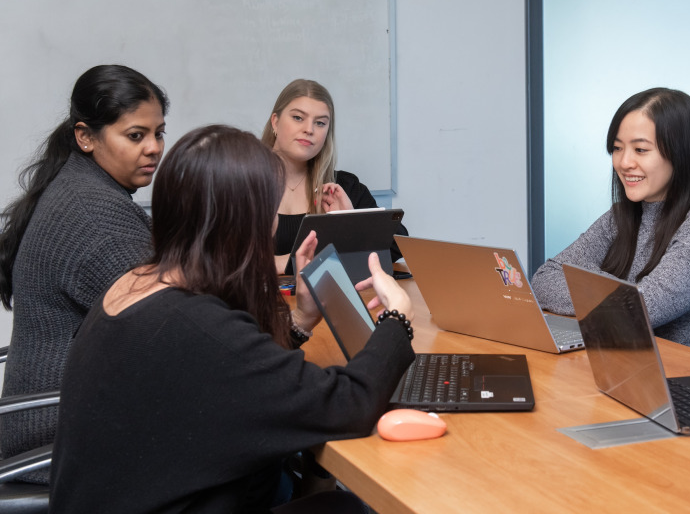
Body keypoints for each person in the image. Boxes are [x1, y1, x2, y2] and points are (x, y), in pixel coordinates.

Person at [49, 125, 417, 512]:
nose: (274, 225)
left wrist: (303, 319)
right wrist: (396, 321)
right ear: (244, 222)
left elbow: (240, 375)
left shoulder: (137, 284)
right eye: (270, 212)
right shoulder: (196, 326)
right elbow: (350, 404)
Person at [0, 64, 167, 484]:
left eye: (158, 133)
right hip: (59, 439)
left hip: (56, 420)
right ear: (86, 137)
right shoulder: (95, 215)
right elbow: (175, 324)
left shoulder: (80, 185)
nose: (154, 148)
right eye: (136, 135)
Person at [531, 88, 690, 362]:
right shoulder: (621, 216)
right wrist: (625, 292)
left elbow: (642, 309)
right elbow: (543, 280)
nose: (624, 162)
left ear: (679, 154)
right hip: (637, 372)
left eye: (641, 150)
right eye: (617, 148)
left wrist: (591, 281)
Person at [261, 79, 408, 274]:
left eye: (320, 123)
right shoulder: (240, 185)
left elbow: (398, 246)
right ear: (275, 122)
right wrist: (289, 262)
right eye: (298, 118)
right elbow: (217, 260)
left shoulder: (342, 186)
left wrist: (352, 220)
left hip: (326, 302)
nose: (309, 129)